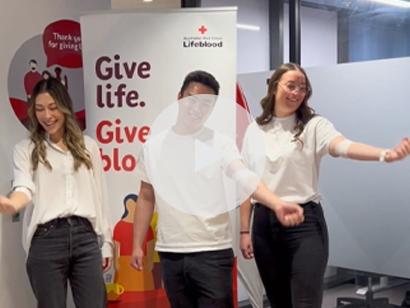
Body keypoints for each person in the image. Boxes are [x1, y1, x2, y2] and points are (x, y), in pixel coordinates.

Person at [239, 62, 410, 308]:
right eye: (291, 85)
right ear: (275, 86)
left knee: (306, 302)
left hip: (304, 223)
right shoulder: (255, 129)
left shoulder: (313, 125)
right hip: (265, 224)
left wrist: (385, 154)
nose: (297, 92)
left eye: (303, 88)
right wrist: (244, 230)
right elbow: (247, 182)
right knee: (278, 301)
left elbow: (344, 146)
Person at [131, 70, 305, 308]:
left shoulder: (220, 143)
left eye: (206, 104)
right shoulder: (153, 147)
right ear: (179, 97)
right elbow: (146, 196)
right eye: (191, 99)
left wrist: (275, 202)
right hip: (170, 251)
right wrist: (137, 245)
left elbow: (244, 176)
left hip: (212, 252)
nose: (196, 108)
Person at [0, 77, 113, 308]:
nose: (47, 116)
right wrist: (13, 204)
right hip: (46, 240)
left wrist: (107, 242)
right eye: (40, 109)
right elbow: (24, 186)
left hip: (86, 238)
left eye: (53, 108)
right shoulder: (25, 149)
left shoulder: (88, 146)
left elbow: (100, 195)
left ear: (64, 107)